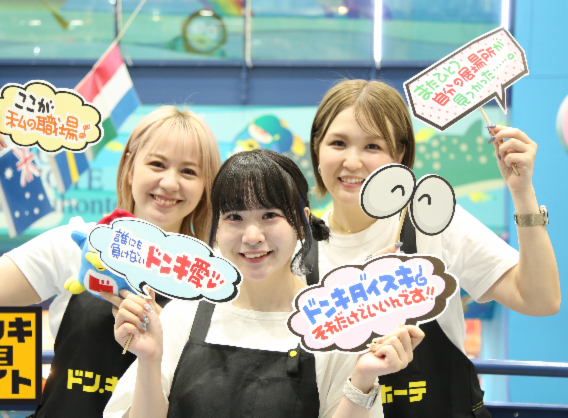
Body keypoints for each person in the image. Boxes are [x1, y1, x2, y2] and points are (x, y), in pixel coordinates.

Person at [0, 104, 222, 417]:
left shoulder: (215, 282)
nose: (169, 183)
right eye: (157, 164)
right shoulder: (76, 243)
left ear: (206, 185)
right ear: (129, 168)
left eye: (188, 172)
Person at [103, 149, 425, 418]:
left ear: (302, 222)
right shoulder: (181, 316)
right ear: (216, 227)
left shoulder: (333, 325)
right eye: (234, 217)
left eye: (270, 215)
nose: (252, 236)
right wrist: (149, 359)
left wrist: (364, 377)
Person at [307, 79, 560, 417]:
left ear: (399, 154)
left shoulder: (432, 220)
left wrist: (523, 193)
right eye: (338, 143)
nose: (352, 162)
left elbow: (540, 299)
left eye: (372, 146)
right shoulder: (299, 248)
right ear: (317, 148)